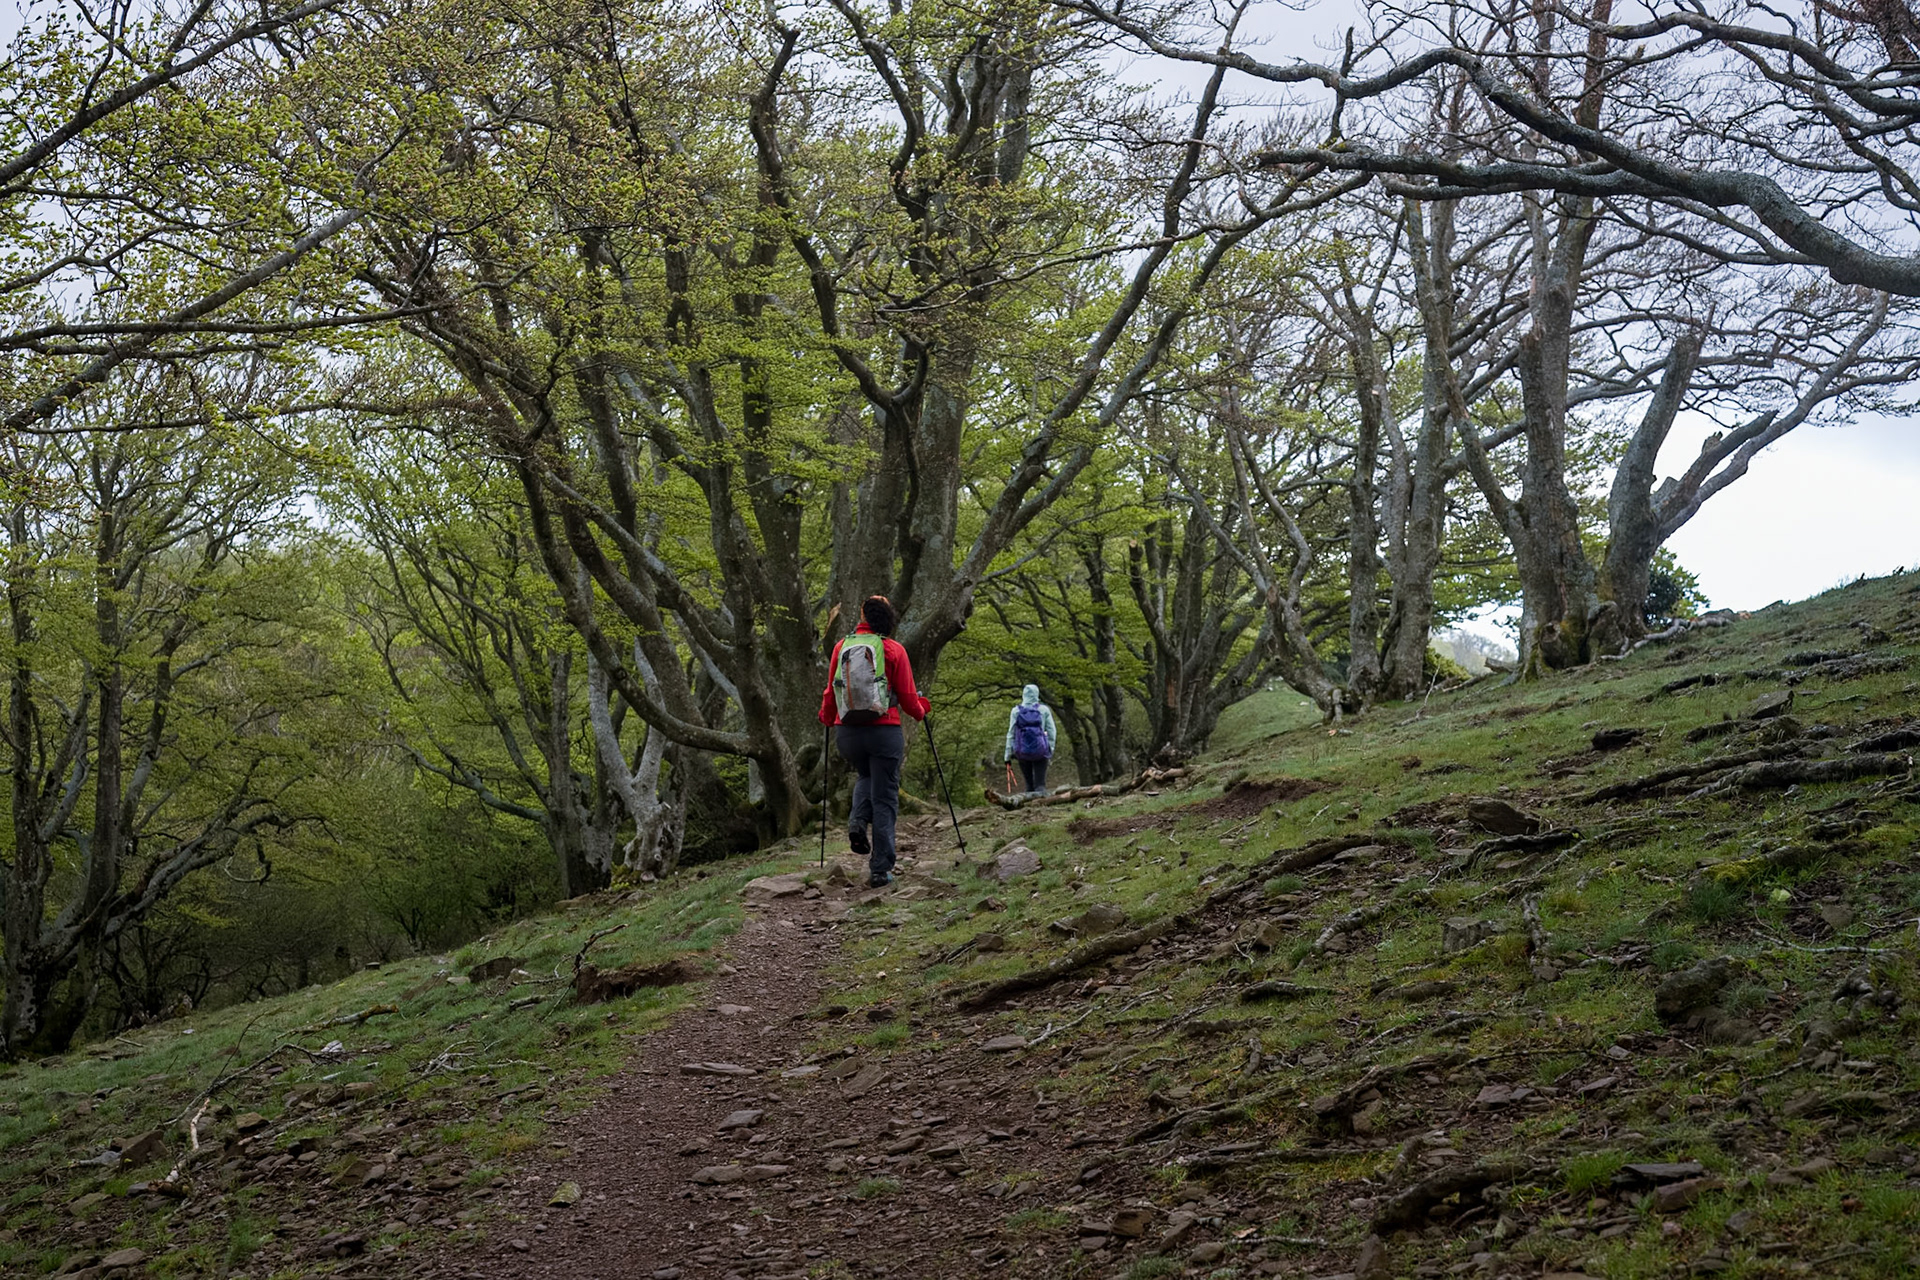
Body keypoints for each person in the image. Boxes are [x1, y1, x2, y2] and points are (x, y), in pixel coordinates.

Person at [818, 596, 929, 888]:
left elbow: (831, 692)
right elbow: (907, 698)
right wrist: (921, 711)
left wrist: (827, 718)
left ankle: (857, 821)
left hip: (848, 733)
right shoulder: (894, 650)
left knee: (865, 776)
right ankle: (880, 869)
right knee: (885, 797)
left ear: (862, 617)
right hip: (884, 732)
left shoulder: (841, 647)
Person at [1003, 683, 1056, 796]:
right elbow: (1052, 731)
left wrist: (1008, 755)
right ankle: (1041, 807)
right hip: (1041, 751)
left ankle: (1028, 807)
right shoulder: (1044, 710)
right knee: (1040, 784)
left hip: (1022, 752)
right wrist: (1050, 748)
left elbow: (1011, 733)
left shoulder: (1016, 711)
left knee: (1029, 785)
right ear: (1037, 694)